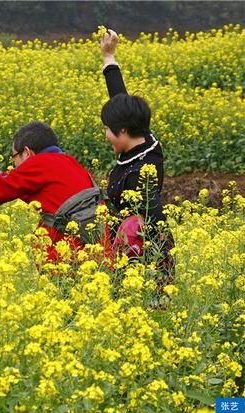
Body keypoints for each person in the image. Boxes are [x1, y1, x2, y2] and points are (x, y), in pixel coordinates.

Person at [100, 29, 175, 301]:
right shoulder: (143, 137)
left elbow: (154, 225)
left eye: (108, 129)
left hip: (137, 257)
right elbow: (120, 100)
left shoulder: (141, 174)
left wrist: (161, 287)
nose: (105, 134)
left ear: (122, 131)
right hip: (121, 248)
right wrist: (109, 57)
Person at [0, 121, 100, 262]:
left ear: (26, 152)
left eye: (14, 157)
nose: (14, 164)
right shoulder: (69, 161)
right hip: (97, 252)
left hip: (68, 257)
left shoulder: (38, 163)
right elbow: (30, 185)